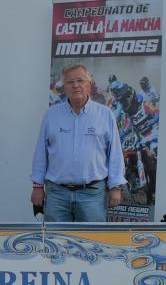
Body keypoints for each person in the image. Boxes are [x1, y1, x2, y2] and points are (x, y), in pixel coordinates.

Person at [31, 64, 125, 222]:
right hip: (57, 195)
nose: (75, 85)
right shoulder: (51, 115)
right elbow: (41, 153)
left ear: (89, 84)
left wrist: (115, 187)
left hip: (92, 194)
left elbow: (114, 154)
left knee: (92, 243)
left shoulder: (105, 115)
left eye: (80, 80)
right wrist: (37, 187)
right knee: (56, 243)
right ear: (64, 87)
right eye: (69, 82)